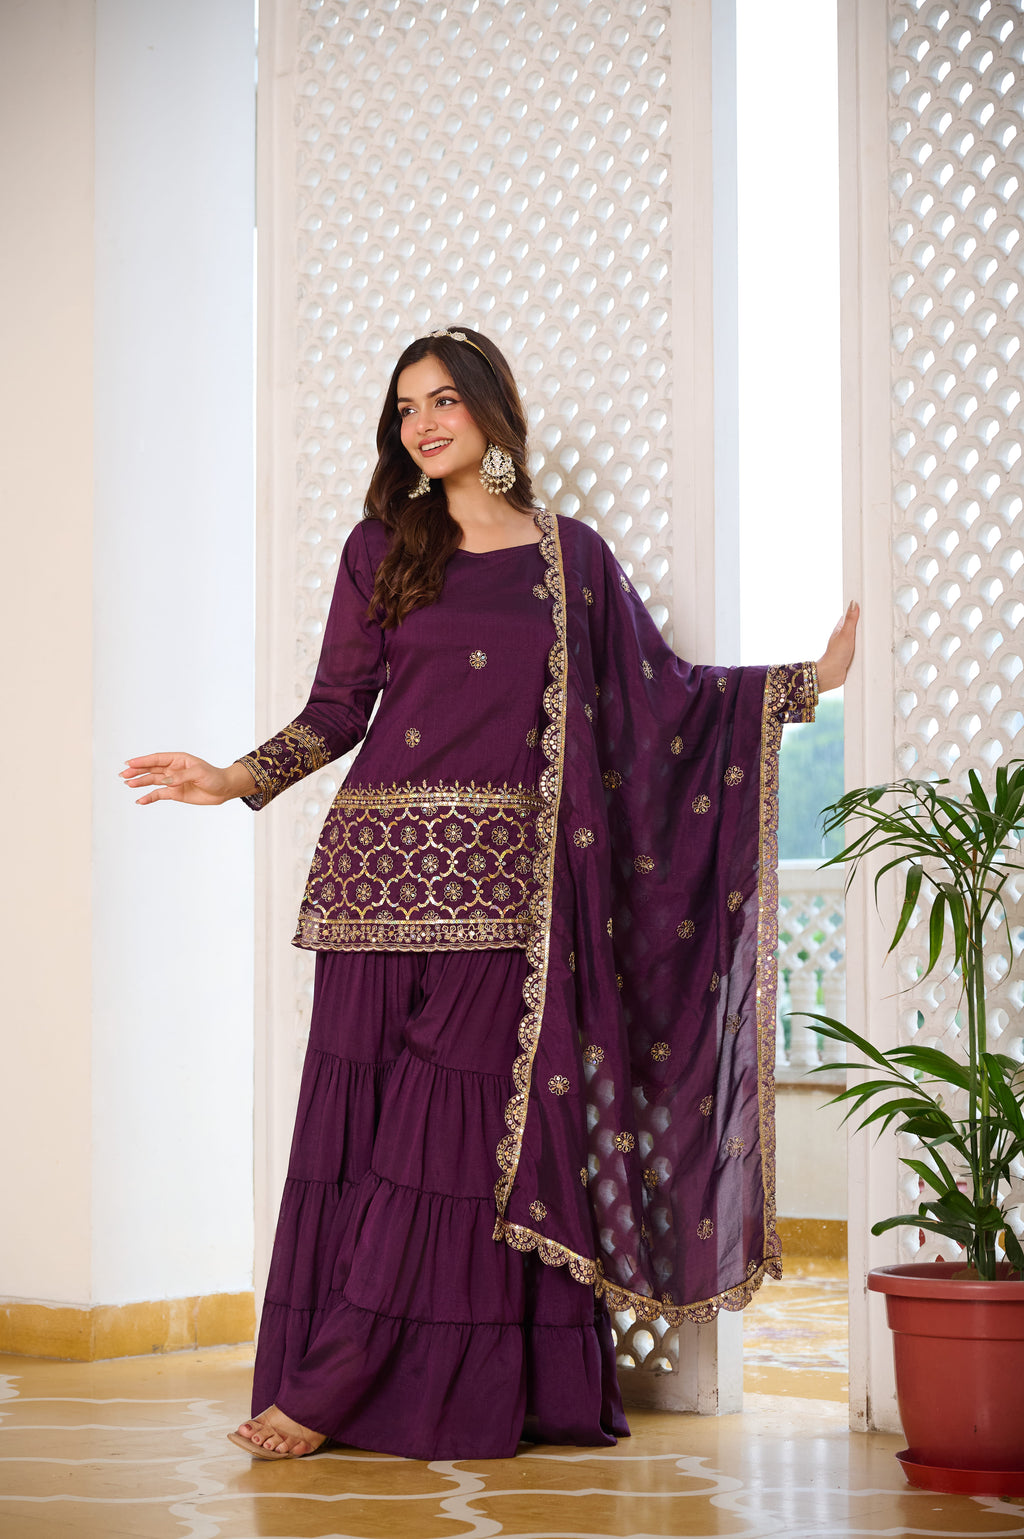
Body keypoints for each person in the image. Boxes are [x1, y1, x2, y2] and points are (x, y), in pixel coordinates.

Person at [122, 327, 858, 1462]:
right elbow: (337, 710)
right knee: (364, 1141)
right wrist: (232, 779)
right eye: (406, 407)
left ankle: (345, 1386)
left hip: (506, 902)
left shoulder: (572, 561)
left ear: (490, 410)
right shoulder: (383, 548)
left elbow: (658, 698)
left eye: (443, 400)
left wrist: (801, 685)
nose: (422, 422)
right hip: (372, 887)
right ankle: (341, 1378)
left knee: (454, 1149)